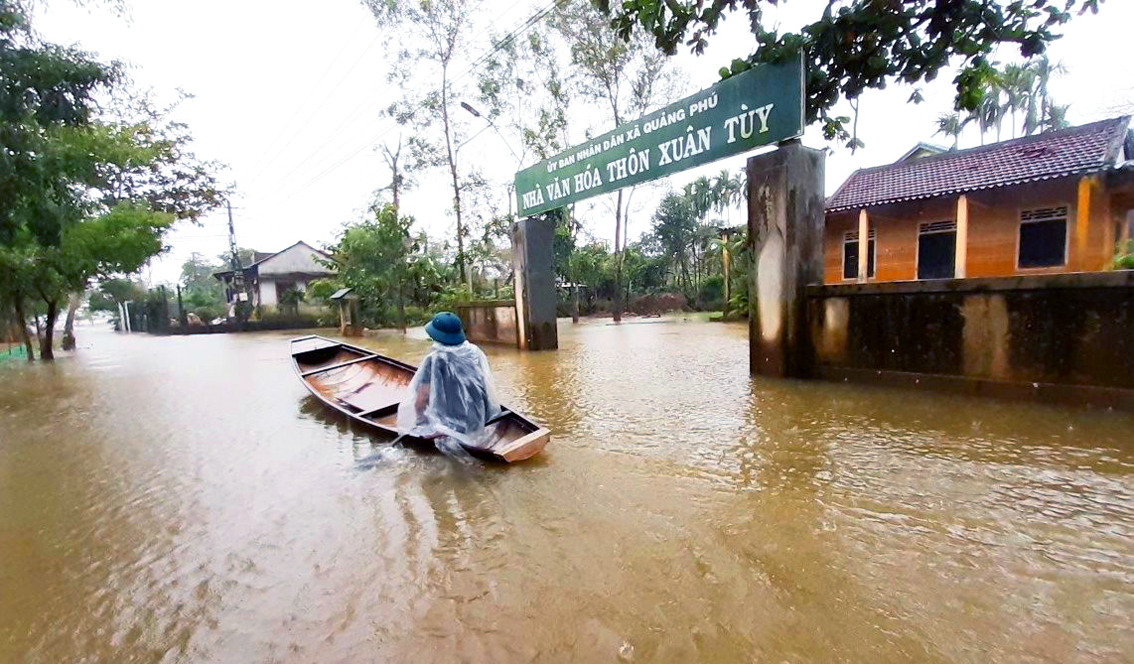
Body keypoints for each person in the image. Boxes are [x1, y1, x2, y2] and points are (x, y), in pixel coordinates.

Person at [396, 312, 501, 451]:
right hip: (480, 419)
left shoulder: (434, 359)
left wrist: (419, 422)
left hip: (453, 425)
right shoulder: (474, 351)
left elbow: (423, 396)